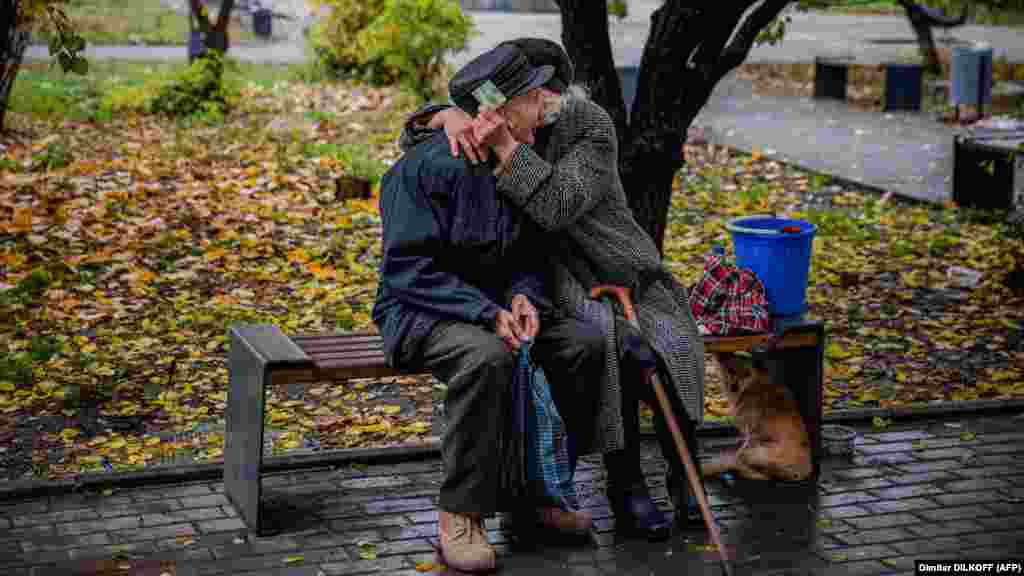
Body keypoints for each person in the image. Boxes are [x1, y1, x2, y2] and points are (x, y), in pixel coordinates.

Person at [400, 39, 707, 541]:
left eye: (540, 89)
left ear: (552, 92)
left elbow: (559, 203)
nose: (534, 100)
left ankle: (686, 474)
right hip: (557, 277)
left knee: (668, 341)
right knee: (610, 344)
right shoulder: (500, 122)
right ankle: (624, 483)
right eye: (519, 93)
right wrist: (443, 117)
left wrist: (504, 148)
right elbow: (421, 145)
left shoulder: (588, 125)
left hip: (623, 267)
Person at [372, 44, 600, 573]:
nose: (547, 106)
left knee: (583, 344)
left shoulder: (516, 160)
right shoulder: (426, 168)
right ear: (495, 108)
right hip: (421, 311)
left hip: (494, 309)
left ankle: (538, 497)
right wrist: (482, 311)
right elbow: (406, 270)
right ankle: (460, 514)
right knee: (487, 357)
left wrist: (524, 296)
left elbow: (528, 255)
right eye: (534, 97)